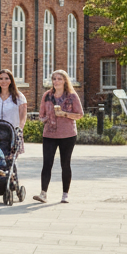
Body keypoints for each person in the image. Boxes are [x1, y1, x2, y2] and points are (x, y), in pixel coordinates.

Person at [35, 69, 84, 204]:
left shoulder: (72, 96)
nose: (56, 81)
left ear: (65, 81)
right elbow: (41, 116)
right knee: (47, 163)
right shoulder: (47, 96)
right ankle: (43, 193)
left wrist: (64, 114)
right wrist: (46, 118)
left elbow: (80, 115)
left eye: (59, 79)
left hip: (67, 134)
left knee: (65, 163)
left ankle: (65, 194)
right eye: (54, 79)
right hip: (49, 134)